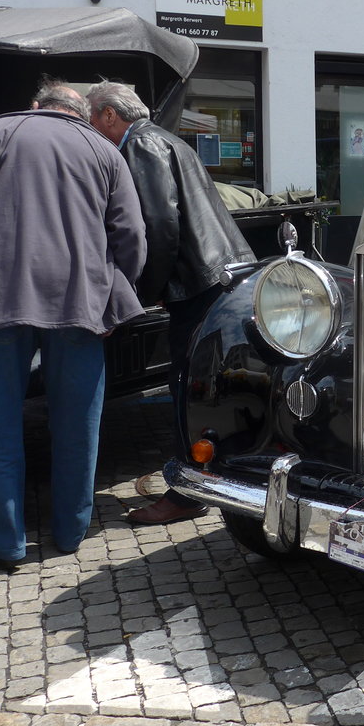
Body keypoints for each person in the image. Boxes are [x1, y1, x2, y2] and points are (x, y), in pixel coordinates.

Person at [0, 79, 146, 570]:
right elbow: (132, 234)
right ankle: (71, 533)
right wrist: (117, 291)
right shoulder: (104, 150)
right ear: (81, 112)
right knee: (78, 423)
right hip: (81, 302)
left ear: (36, 106)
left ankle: (3, 544)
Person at [86, 80, 255, 525]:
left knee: (186, 387)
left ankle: (186, 493)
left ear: (108, 115)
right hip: (215, 272)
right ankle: (205, 478)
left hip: (196, 283)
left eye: (91, 118)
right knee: (202, 385)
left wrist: (146, 289)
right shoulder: (164, 138)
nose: (90, 128)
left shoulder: (140, 145)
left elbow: (159, 224)